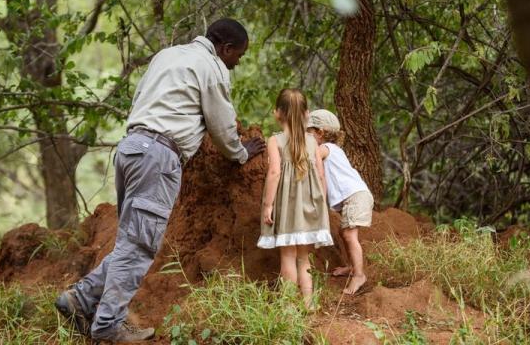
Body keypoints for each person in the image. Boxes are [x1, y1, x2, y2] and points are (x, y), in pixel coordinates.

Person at [55, 18, 266, 342]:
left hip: (130, 149)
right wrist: (241, 153)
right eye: (238, 55)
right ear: (225, 49)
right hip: (159, 156)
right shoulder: (211, 67)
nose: (237, 62)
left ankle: (80, 299)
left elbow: (142, 99)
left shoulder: (167, 55)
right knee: (139, 245)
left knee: (130, 241)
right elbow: (222, 127)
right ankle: (108, 325)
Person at [257, 89, 333, 308]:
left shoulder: (275, 141)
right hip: (310, 208)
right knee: (303, 259)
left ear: (277, 113)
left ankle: (289, 307)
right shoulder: (312, 142)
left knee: (288, 257)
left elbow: (274, 173)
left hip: (288, 210)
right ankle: (309, 304)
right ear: (307, 114)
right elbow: (320, 174)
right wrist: (321, 204)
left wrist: (268, 205)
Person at [306, 109, 374, 295]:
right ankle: (352, 267)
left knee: (350, 236)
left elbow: (310, 158)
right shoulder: (334, 150)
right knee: (344, 232)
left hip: (356, 196)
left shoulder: (327, 148)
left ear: (320, 133)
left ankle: (359, 275)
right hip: (354, 196)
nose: (306, 137)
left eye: (308, 133)